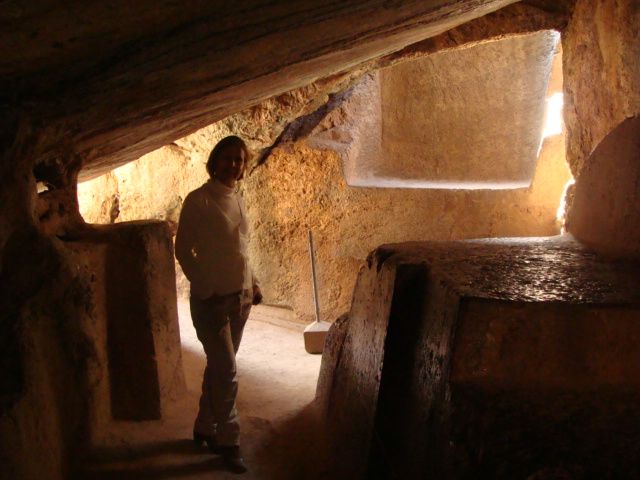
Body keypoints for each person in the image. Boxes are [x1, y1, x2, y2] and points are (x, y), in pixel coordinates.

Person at [175, 135, 262, 474]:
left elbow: (241, 249)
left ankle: (204, 426)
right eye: (227, 158)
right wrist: (204, 284)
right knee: (226, 369)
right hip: (211, 300)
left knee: (218, 367)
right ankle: (229, 440)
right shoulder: (199, 201)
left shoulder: (237, 200)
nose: (233, 165)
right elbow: (183, 250)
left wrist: (252, 283)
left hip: (240, 298)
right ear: (214, 161)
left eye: (239, 160)